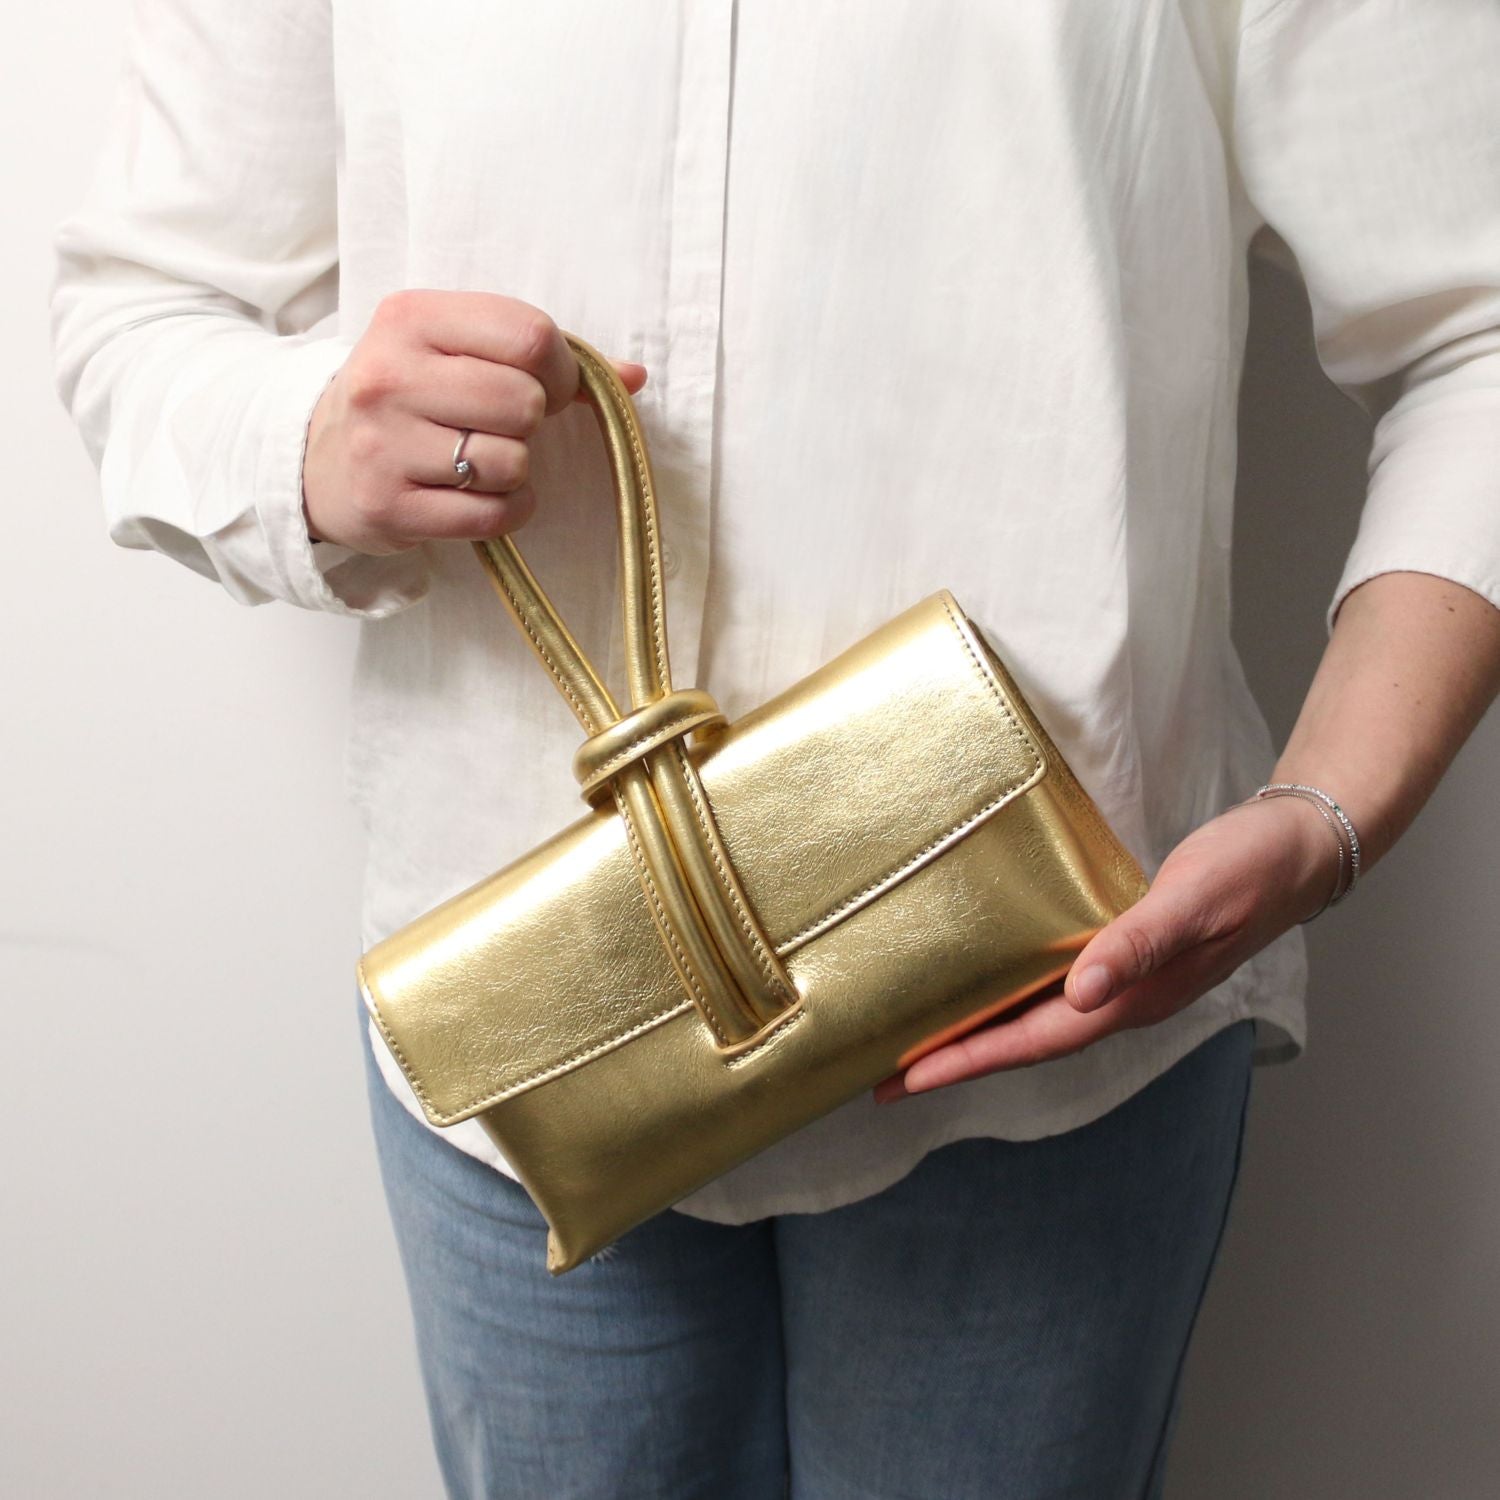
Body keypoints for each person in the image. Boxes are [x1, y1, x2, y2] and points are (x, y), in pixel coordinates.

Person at [49, 3, 1500, 1496]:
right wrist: (304, 442)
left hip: (1063, 1007)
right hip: (524, 1048)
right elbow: (146, 305)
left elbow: (1477, 328)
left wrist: (1328, 810)